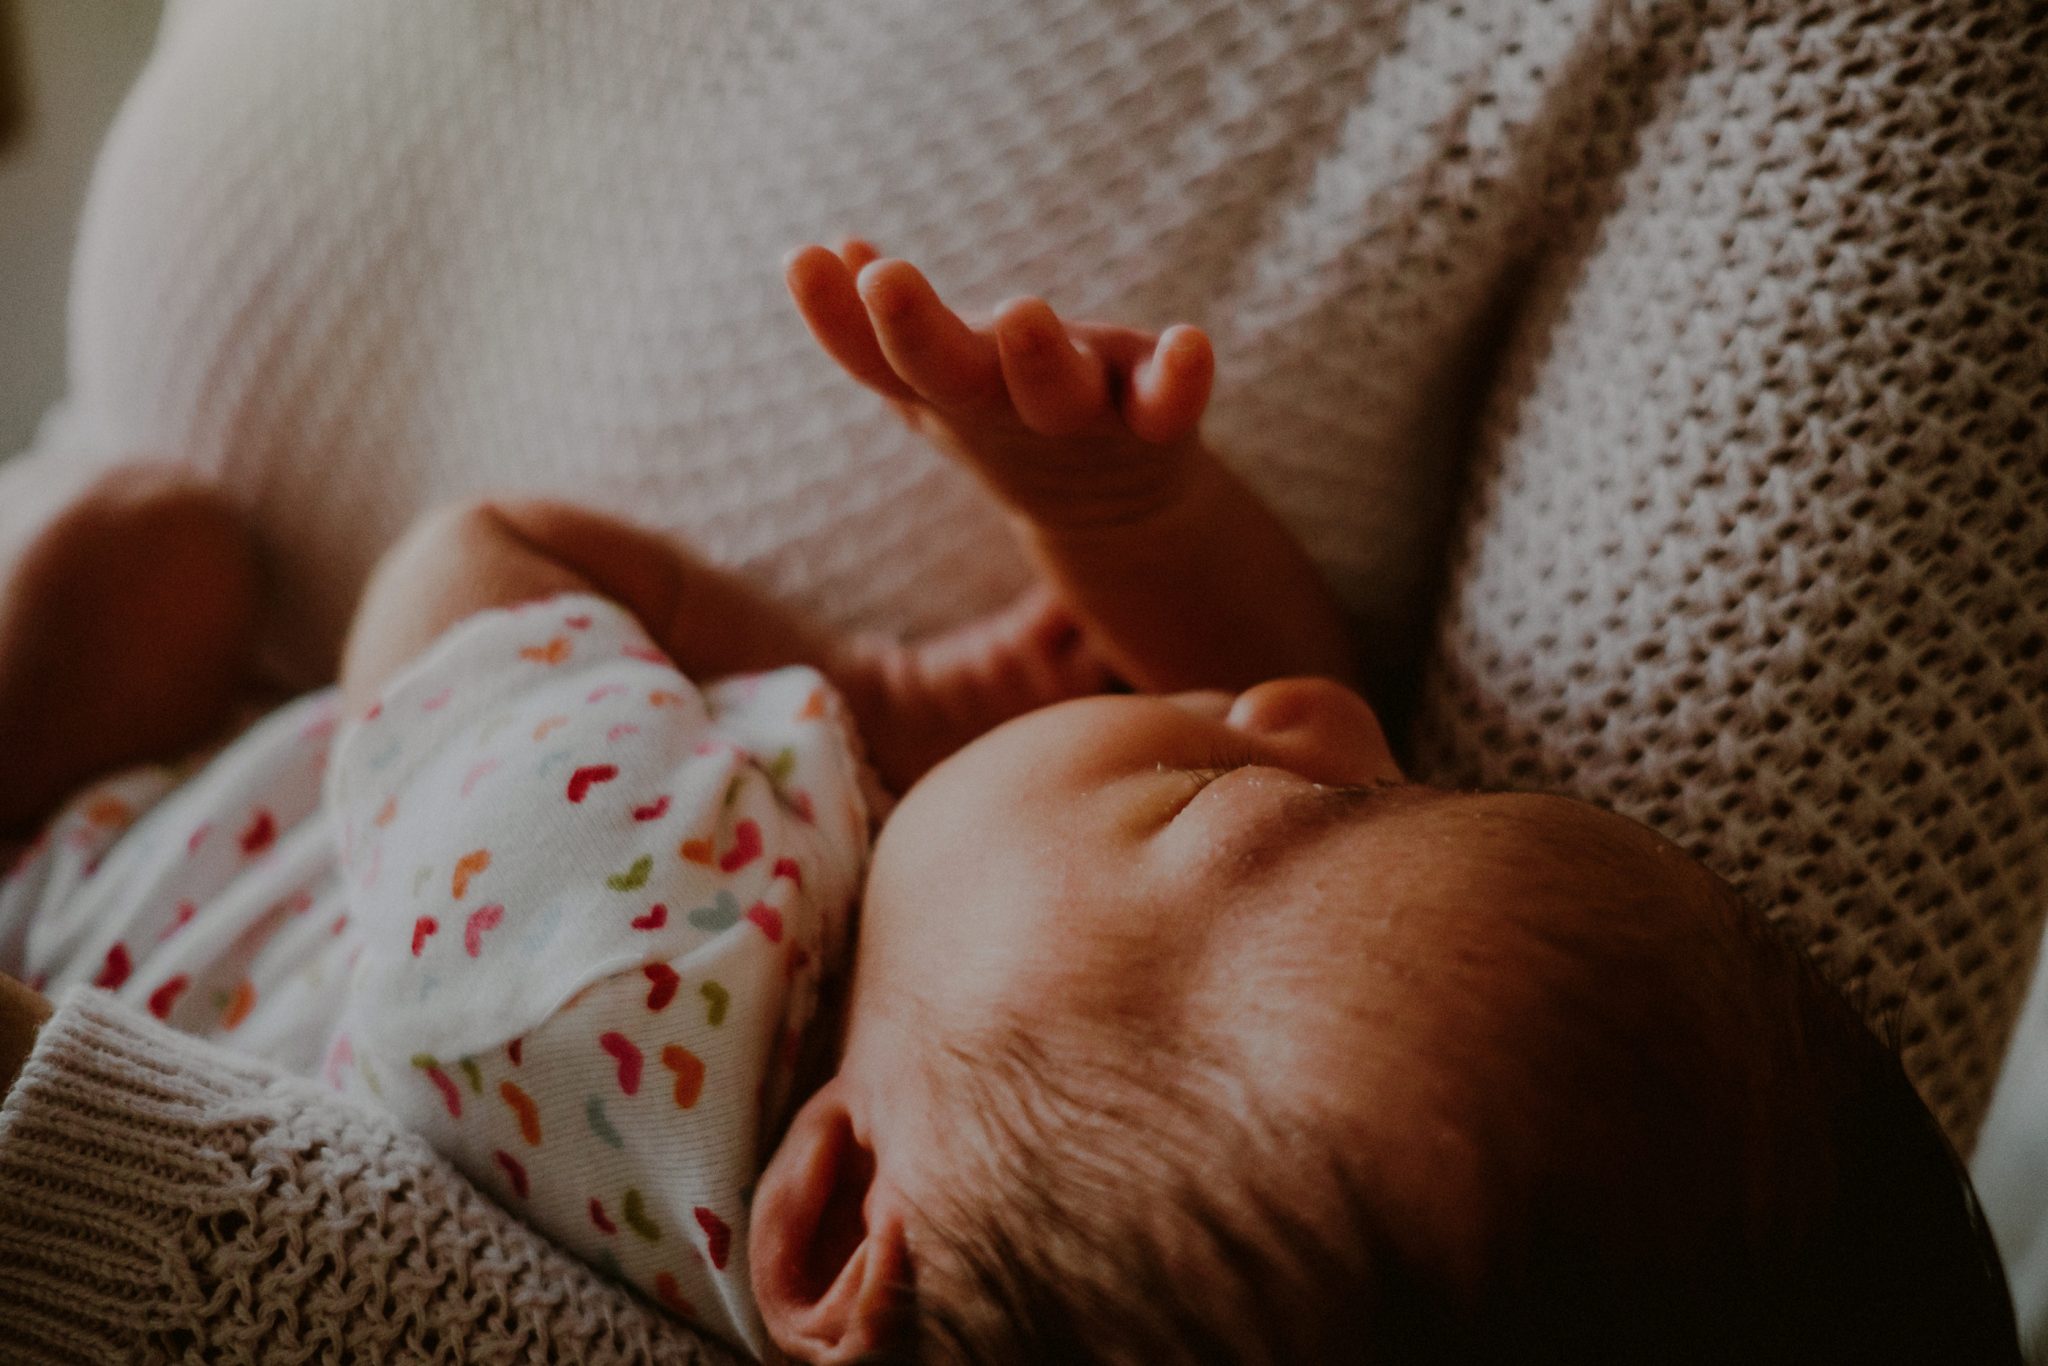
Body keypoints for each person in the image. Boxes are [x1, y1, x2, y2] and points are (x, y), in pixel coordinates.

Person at [0, 250, 2026, 1362]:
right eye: (1401, 778)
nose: (1322, 701)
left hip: (74, 858)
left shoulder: (600, 952)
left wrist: (860, 683)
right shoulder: (954, 1186)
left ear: (843, 1211)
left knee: (144, 549)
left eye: (1244, 811)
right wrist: (1129, 523)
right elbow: (1220, 862)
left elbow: (476, 563)